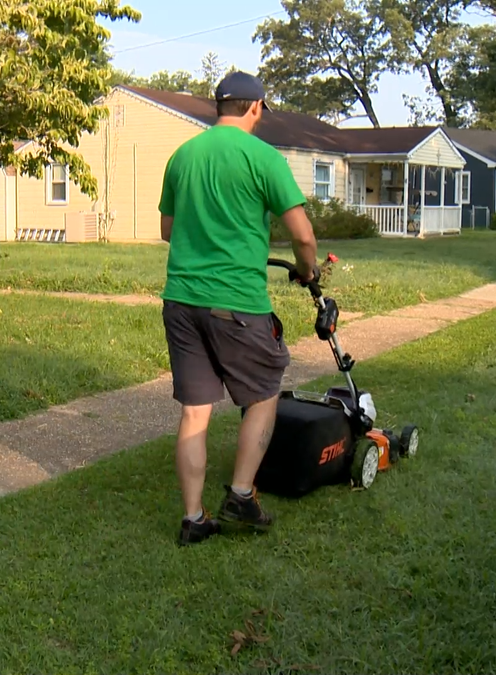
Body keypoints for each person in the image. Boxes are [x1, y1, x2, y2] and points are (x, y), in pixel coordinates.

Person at [158, 71, 319, 546]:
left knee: (195, 411)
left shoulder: (183, 155)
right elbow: (304, 236)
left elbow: (169, 231)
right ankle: (242, 494)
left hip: (182, 301)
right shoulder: (263, 157)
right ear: (255, 108)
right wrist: (307, 270)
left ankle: (194, 519)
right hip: (237, 304)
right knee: (265, 393)